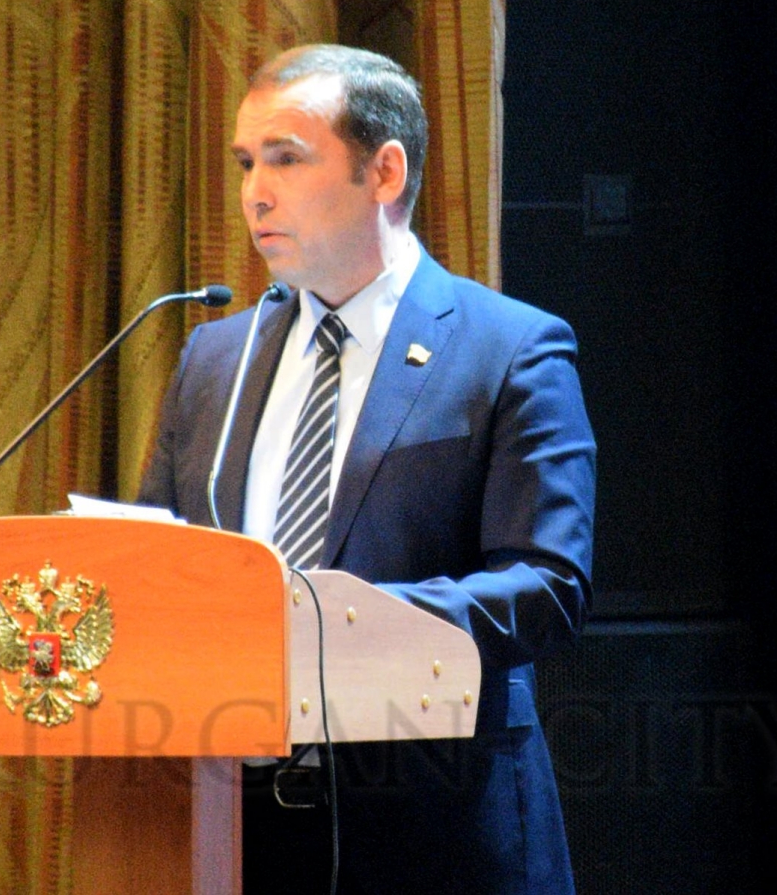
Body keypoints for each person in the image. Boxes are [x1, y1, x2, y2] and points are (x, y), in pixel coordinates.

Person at [137, 44, 595, 894]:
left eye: (286, 159)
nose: (254, 192)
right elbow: (159, 562)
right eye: (245, 163)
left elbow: (547, 585)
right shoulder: (214, 359)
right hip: (230, 825)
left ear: (385, 172)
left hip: (434, 831)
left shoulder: (509, 350)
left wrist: (322, 627)